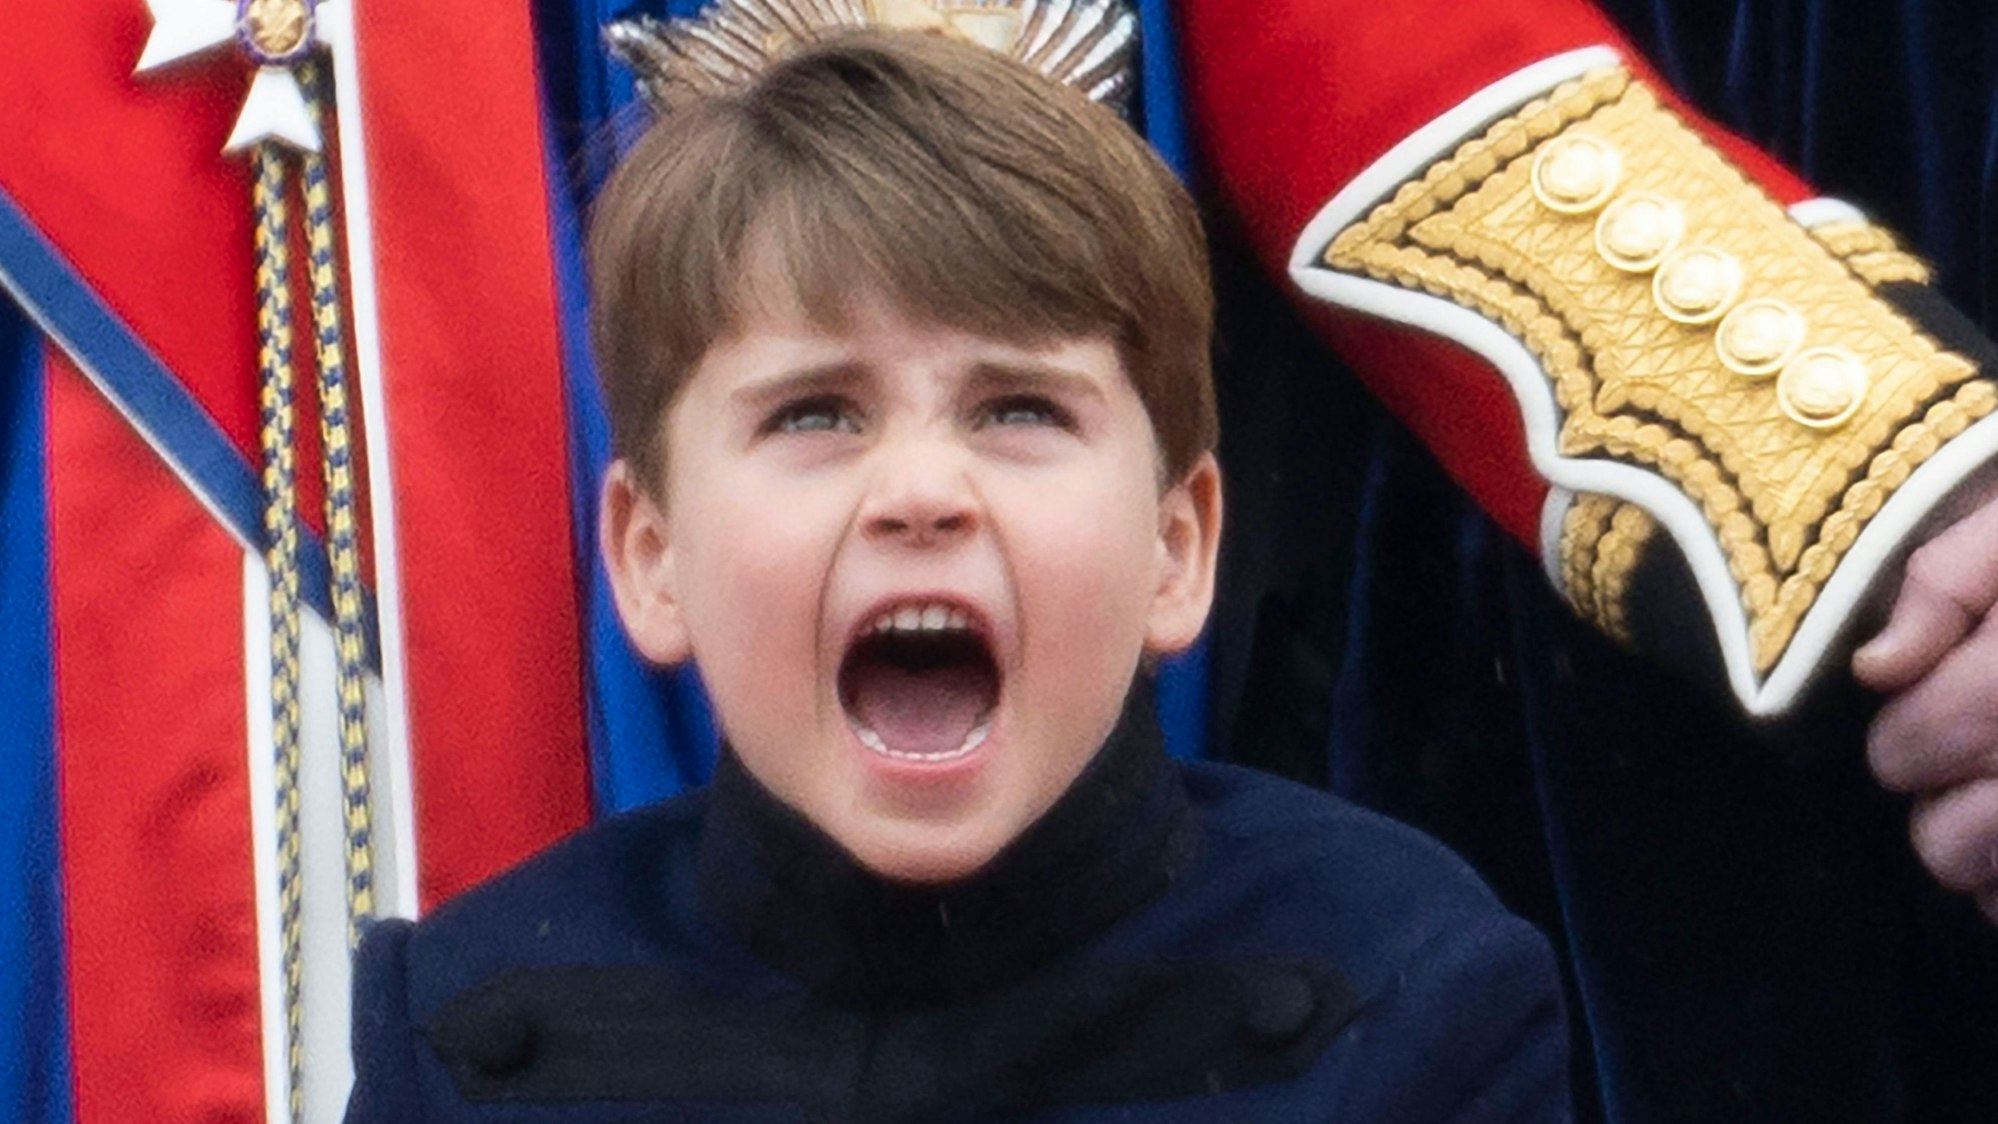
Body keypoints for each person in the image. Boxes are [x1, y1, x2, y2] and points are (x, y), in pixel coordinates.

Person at [343, 30, 1571, 1123]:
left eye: (1018, 407)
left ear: (1176, 547)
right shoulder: (462, 1038)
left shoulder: (1410, 992)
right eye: (816, 414)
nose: (919, 490)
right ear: (652, 557)